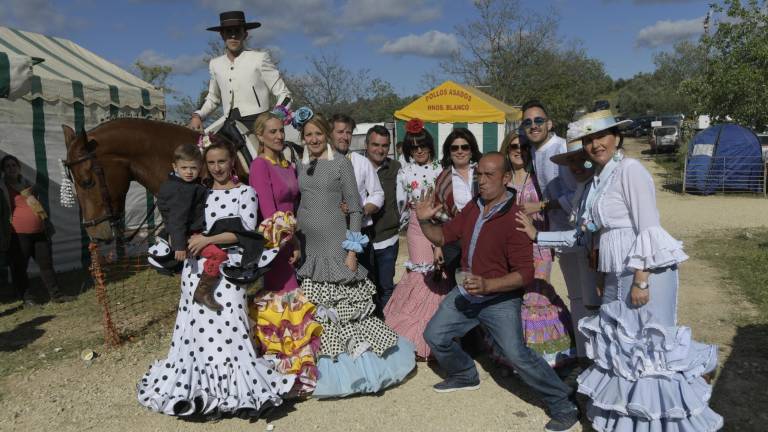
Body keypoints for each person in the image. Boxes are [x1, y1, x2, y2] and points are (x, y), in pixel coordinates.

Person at [524, 110, 722, 431]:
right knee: (627, 351)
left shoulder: (631, 170)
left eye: (601, 136)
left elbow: (648, 227)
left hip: (645, 272)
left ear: (617, 138)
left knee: (651, 352)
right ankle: (636, 421)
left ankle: (671, 418)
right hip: (618, 275)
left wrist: (642, 279)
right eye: (588, 140)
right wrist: (538, 236)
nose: (594, 145)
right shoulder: (596, 182)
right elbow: (584, 235)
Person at [417, 152, 579, 432]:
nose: (482, 180)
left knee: (517, 354)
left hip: (499, 299)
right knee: (434, 335)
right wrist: (423, 221)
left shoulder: (515, 218)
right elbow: (444, 236)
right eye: (479, 174)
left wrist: (488, 285)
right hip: (468, 292)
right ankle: (465, 374)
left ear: (505, 178)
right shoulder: (473, 207)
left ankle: (564, 405)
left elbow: (525, 274)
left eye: (489, 175)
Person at [138, 138, 295, 419]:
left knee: (231, 326)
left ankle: (235, 390)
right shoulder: (199, 192)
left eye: (222, 161)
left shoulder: (245, 193)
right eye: (211, 163)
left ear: (232, 161)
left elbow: (245, 232)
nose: (217, 167)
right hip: (196, 269)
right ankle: (202, 391)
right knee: (196, 330)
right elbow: (179, 217)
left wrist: (208, 239)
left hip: (229, 269)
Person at [293, 108, 415, 398]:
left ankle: (356, 370)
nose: (313, 138)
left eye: (318, 133)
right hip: (310, 247)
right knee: (318, 311)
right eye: (308, 134)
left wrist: (351, 250)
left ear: (327, 135)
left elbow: (356, 208)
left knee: (345, 309)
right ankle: (322, 361)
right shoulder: (302, 164)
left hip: (337, 244)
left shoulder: (341, 165)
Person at [248, 111, 321, 395]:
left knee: (295, 302)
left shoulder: (287, 164)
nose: (279, 136)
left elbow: (298, 204)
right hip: (277, 244)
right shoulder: (259, 166)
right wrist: (288, 245)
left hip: (294, 240)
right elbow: (269, 214)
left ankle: (299, 368)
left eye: (281, 131)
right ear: (260, 136)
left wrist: (299, 241)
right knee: (283, 302)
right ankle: (287, 374)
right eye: (272, 132)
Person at [500, 132, 575, 368]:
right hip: (509, 249)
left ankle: (545, 355)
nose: (518, 150)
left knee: (537, 296)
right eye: (513, 146)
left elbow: (559, 202)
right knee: (514, 298)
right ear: (506, 149)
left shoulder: (539, 179)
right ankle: (513, 355)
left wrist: (539, 207)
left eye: (524, 146)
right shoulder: (502, 180)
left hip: (539, 246)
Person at [383, 118, 449, 360]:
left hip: (441, 223)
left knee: (443, 271)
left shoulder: (442, 169)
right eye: (413, 147)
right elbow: (401, 204)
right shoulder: (405, 172)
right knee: (423, 274)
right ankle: (416, 338)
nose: (419, 150)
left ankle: (441, 334)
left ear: (430, 145)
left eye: (422, 145)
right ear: (408, 149)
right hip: (416, 227)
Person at [153, 143, 228, 311]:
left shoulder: (186, 185)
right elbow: (177, 219)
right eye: (184, 167)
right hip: (186, 236)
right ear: (175, 167)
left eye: (193, 168)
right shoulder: (182, 190)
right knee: (218, 255)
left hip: (192, 232)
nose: (188, 172)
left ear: (200, 168)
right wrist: (179, 245)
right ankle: (204, 291)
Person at [188, 11, 291, 131]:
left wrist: (274, 119)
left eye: (237, 31)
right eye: (229, 32)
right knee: (203, 147)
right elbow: (213, 98)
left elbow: (285, 94)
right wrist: (197, 115)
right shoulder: (215, 64)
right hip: (228, 122)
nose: (233, 36)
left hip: (258, 123)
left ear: (245, 34)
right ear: (222, 35)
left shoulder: (259, 58)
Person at [0, 155, 72, 305]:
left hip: (39, 231)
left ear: (19, 167)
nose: (11, 168)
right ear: (3, 170)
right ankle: (27, 298)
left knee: (46, 265)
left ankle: (56, 295)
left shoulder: (27, 184)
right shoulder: (2, 188)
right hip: (17, 234)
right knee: (20, 267)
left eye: (14, 165)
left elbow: (36, 206)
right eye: (7, 166)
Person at [330, 113, 384, 274]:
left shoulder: (361, 162)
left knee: (362, 281)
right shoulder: (319, 162)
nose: (345, 137)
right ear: (329, 133)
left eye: (349, 133)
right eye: (340, 132)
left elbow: (378, 193)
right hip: (330, 233)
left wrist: (363, 210)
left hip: (358, 232)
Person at [432, 127, 481, 281]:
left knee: (484, 282)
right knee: (459, 286)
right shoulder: (443, 179)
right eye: (455, 148)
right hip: (453, 243)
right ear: (449, 152)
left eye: (464, 147)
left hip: (482, 237)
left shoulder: (482, 171)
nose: (460, 151)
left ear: (471, 150)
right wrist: (437, 247)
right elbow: (437, 216)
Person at [363, 125, 401, 314]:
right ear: (366, 144)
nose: (380, 150)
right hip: (362, 240)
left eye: (384, 145)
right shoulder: (355, 166)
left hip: (387, 239)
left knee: (386, 288)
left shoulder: (395, 168)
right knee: (366, 290)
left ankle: (389, 325)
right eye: (375, 144)